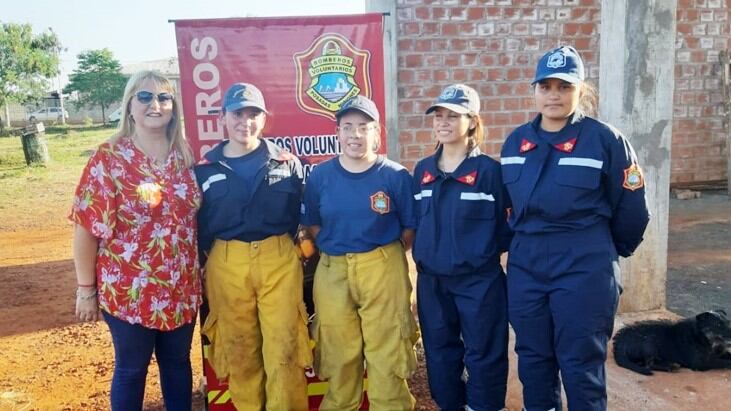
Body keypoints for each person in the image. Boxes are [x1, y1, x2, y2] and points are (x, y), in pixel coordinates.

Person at [501, 46, 650, 411]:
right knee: (534, 359)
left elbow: (632, 210)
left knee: (580, 362)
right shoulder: (515, 142)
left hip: (584, 264)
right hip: (527, 265)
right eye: (546, 86)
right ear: (534, 90)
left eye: (564, 87)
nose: (554, 95)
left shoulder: (604, 140)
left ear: (580, 91)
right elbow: (507, 206)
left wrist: (602, 253)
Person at [70, 70, 201, 411]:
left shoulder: (185, 156)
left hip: (180, 288)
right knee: (131, 370)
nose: (155, 105)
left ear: (173, 107)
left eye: (163, 98)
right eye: (144, 97)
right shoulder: (109, 159)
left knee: (178, 365)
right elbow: (85, 228)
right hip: (130, 290)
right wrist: (86, 289)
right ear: (129, 106)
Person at [194, 82, 311, 410]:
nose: (245, 121)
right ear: (222, 118)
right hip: (226, 262)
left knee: (284, 350)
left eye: (253, 114)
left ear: (264, 119)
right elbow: (197, 225)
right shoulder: (203, 169)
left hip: (278, 259)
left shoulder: (287, 162)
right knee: (239, 351)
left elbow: (301, 216)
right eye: (237, 113)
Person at [301, 95, 419, 411]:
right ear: (337, 132)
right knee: (339, 353)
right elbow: (313, 221)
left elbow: (408, 229)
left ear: (376, 132)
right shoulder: (321, 176)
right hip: (333, 270)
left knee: (387, 351)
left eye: (363, 127)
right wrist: (337, 246)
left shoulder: (395, 176)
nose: (355, 135)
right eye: (348, 127)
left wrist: (377, 254)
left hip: (382, 266)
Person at [412, 84, 512, 411]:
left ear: (472, 121)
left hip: (479, 282)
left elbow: (507, 228)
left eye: (453, 115)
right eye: (438, 115)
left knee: (485, 352)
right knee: (440, 352)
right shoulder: (423, 171)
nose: (443, 122)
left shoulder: (491, 173)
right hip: (432, 282)